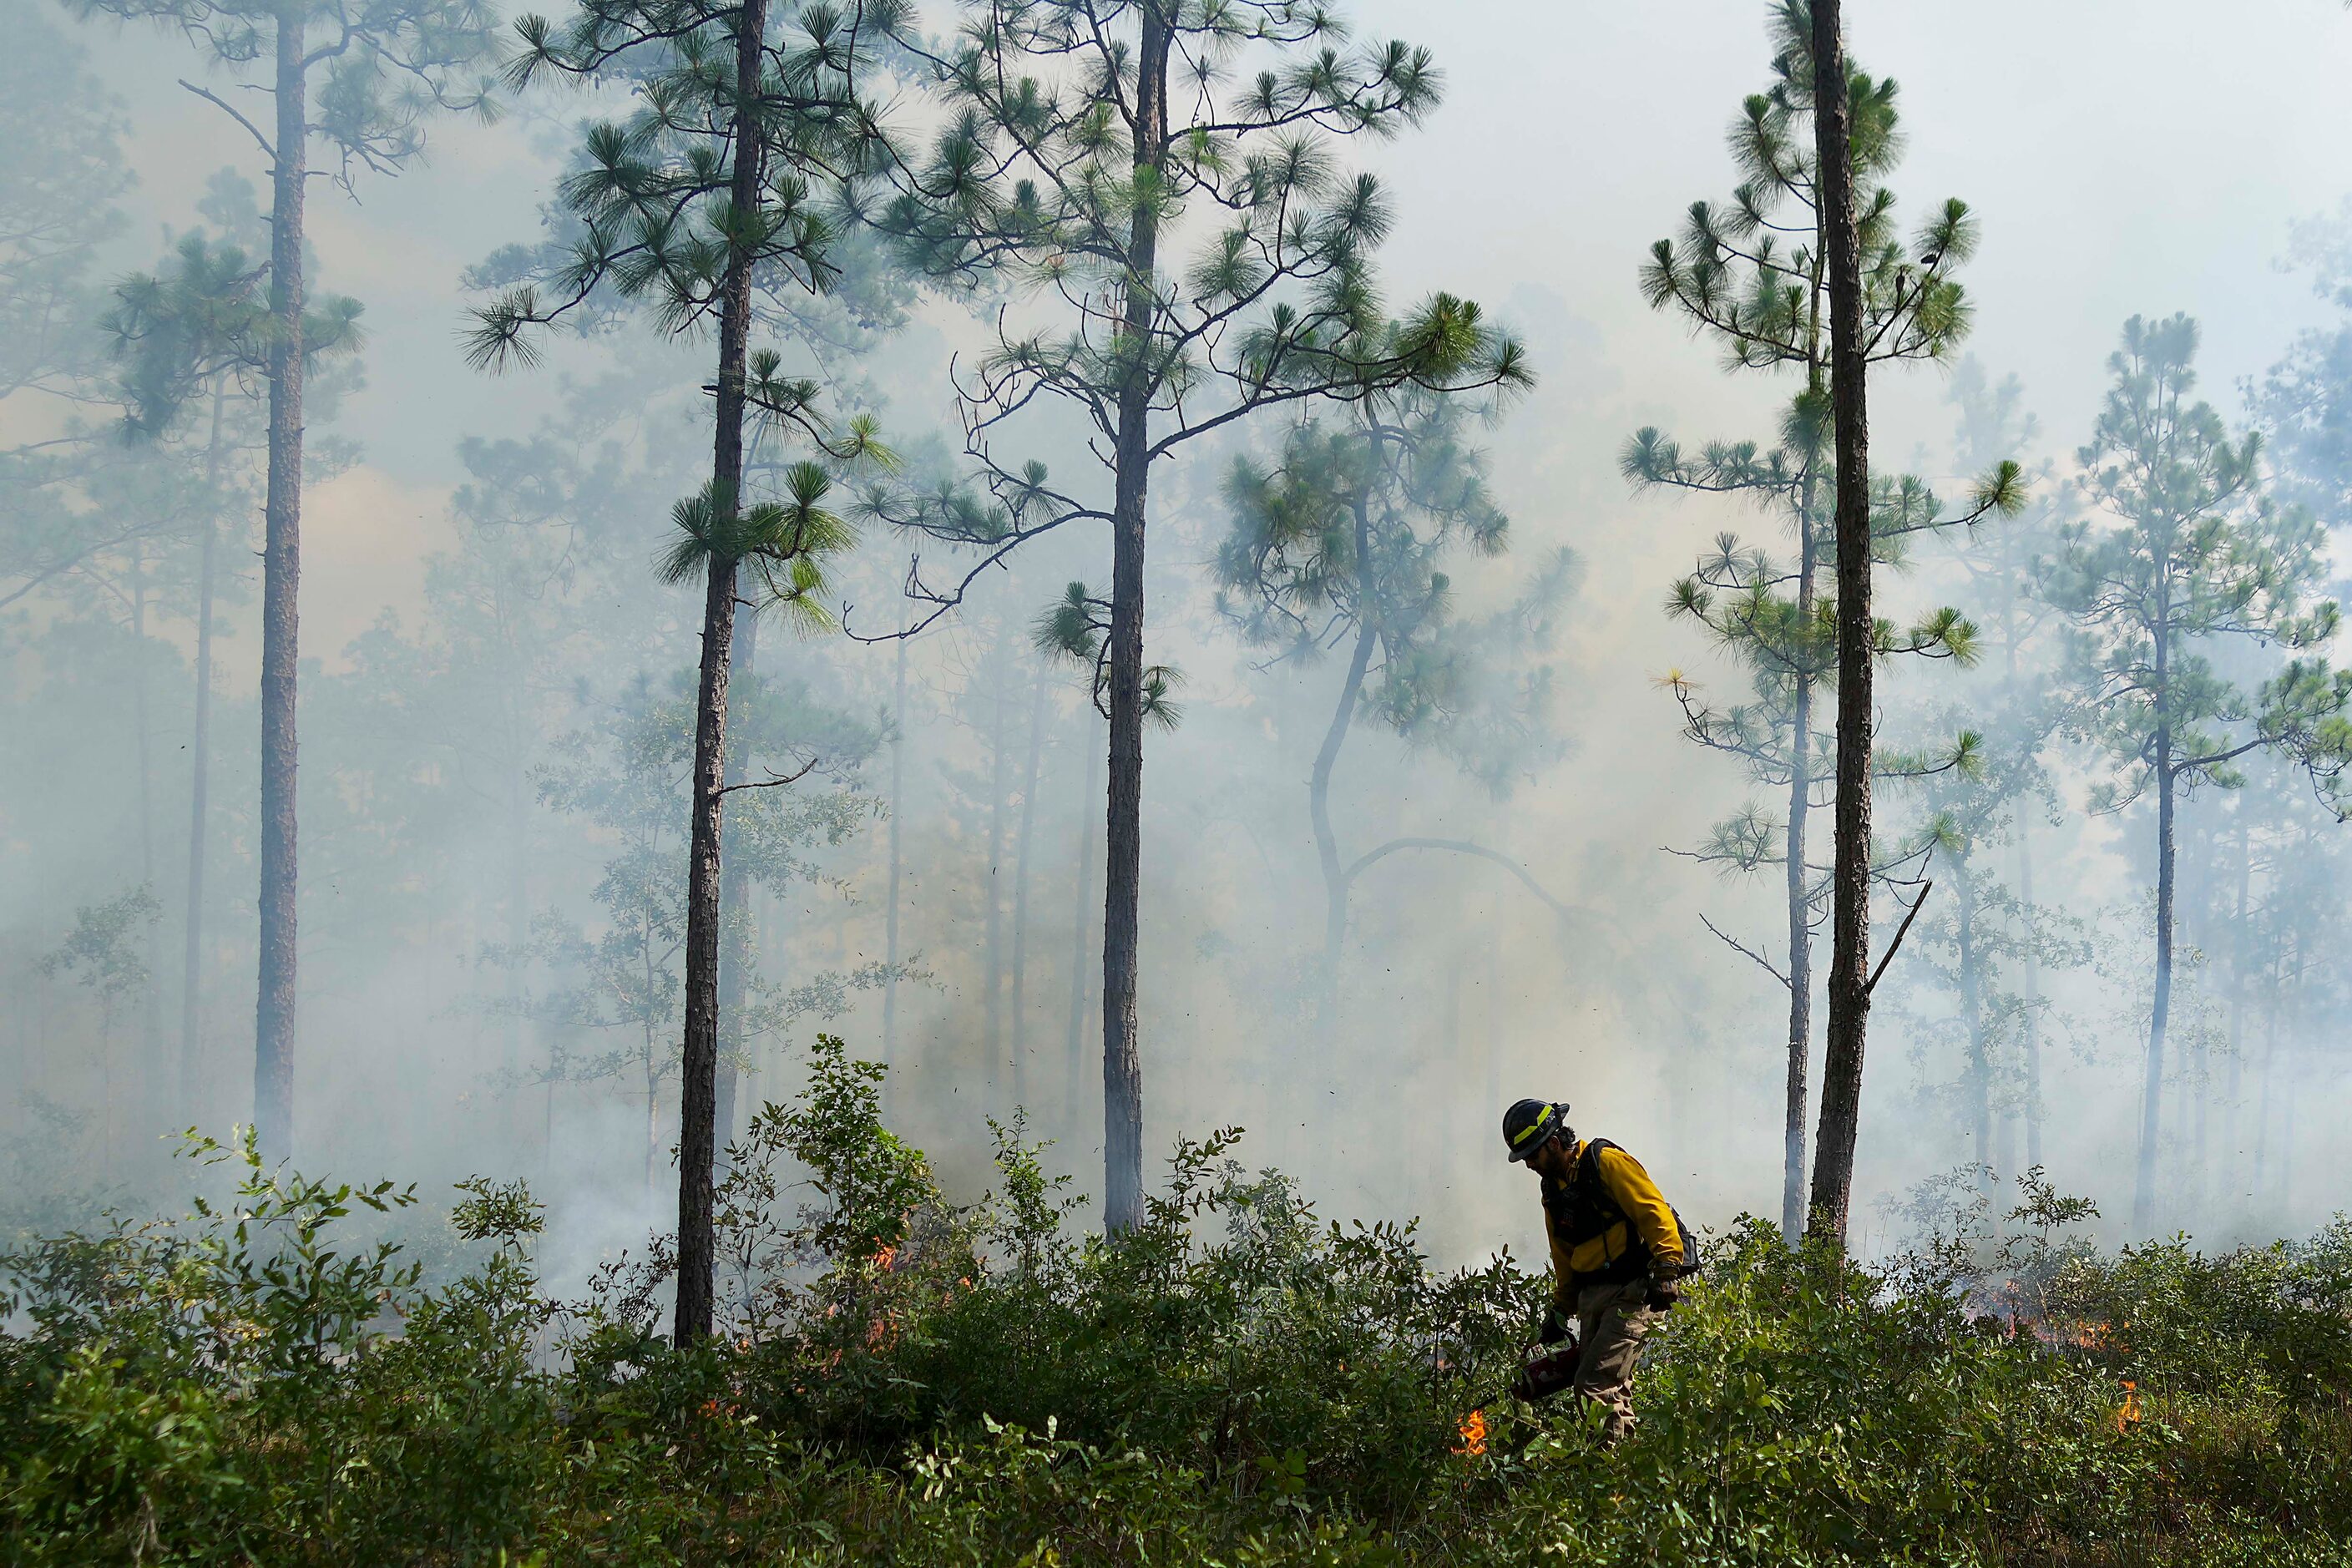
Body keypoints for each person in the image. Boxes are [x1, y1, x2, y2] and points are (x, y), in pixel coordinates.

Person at [1502, 1097, 1693, 1445]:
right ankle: (1627, 1471)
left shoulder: (1605, 1162)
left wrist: (1667, 1270)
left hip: (1634, 1290)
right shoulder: (1552, 1189)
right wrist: (1561, 1309)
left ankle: (1609, 1476)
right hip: (1593, 1295)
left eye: (1533, 1155)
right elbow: (1563, 1254)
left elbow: (1654, 1213)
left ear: (1555, 1144)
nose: (1529, 1164)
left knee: (1594, 1383)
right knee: (1608, 1387)